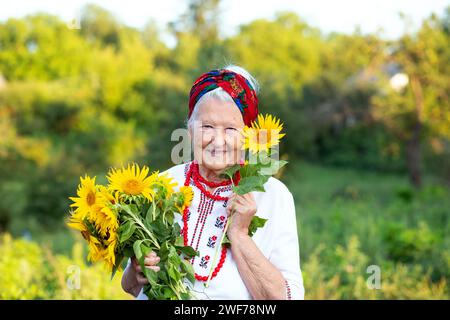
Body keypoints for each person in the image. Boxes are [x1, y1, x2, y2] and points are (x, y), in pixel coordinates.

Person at [121, 65, 304, 300]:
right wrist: (137, 271)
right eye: (207, 126)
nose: (218, 141)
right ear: (189, 129)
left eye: (230, 129)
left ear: (248, 135)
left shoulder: (272, 196)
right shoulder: (161, 185)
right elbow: (131, 287)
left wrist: (239, 234)